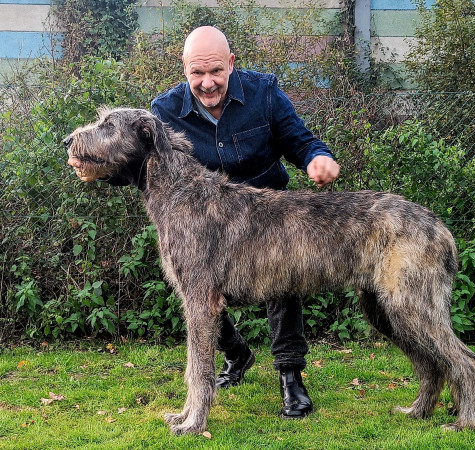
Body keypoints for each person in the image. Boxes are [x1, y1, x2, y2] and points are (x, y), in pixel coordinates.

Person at [69, 26, 340, 419]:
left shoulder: (262, 93)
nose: (207, 82)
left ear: (230, 63)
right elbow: (134, 165)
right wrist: (96, 168)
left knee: (282, 286)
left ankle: (290, 376)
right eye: (197, 73)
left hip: (267, 214)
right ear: (184, 69)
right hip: (203, 219)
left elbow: (299, 139)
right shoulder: (163, 111)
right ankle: (236, 354)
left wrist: (318, 158)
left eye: (216, 71)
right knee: (199, 291)